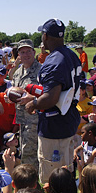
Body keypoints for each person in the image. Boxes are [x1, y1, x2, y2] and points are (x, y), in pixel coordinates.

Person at [25, 19, 81, 183]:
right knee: (67, 168)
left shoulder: (55, 60)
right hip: (68, 117)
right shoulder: (71, 55)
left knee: (53, 175)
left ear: (46, 36)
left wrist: (33, 104)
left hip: (55, 123)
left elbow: (51, 98)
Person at [10, 39, 41, 169]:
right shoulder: (18, 72)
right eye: (22, 52)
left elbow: (49, 93)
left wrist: (31, 98)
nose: (26, 54)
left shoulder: (41, 70)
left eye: (29, 51)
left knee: (31, 152)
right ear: (19, 55)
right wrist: (9, 97)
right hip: (22, 120)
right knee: (25, 149)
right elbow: (15, 91)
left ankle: (31, 181)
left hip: (36, 119)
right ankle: (30, 181)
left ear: (34, 52)